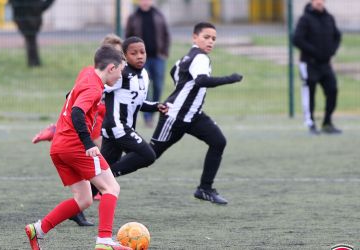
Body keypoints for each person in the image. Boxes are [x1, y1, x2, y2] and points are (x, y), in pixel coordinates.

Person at [101, 22, 243, 205]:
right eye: (206, 37)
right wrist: (229, 79)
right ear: (195, 37)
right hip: (176, 116)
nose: (210, 42)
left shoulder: (189, 57)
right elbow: (200, 80)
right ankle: (110, 174)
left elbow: (174, 71)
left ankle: (205, 189)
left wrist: (182, 87)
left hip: (194, 115)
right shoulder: (199, 57)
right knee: (149, 155)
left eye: (213, 39)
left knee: (218, 141)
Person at [25, 45, 132, 250]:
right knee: (111, 188)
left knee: (83, 199)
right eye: (120, 70)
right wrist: (88, 143)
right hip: (75, 147)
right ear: (111, 68)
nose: (121, 76)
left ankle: (37, 229)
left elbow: (70, 96)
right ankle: (104, 240)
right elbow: (76, 112)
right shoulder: (93, 88)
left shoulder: (87, 73)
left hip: (59, 147)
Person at [100, 36, 168, 179]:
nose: (139, 56)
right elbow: (97, 88)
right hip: (117, 127)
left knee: (100, 176)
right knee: (148, 155)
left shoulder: (143, 74)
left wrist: (156, 106)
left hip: (120, 129)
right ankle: (108, 177)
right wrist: (75, 95)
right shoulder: (120, 74)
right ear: (124, 55)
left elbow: (137, 102)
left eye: (142, 52)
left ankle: (95, 186)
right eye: (134, 53)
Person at [293, 0, 342, 134]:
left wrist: (331, 51)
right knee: (309, 93)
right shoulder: (305, 19)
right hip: (309, 64)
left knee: (332, 90)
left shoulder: (329, 18)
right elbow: (297, 39)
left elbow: (337, 36)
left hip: (325, 65)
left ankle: (327, 122)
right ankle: (310, 123)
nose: (320, 2)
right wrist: (314, 51)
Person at [125, 0, 170, 127]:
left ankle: (153, 111)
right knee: (143, 89)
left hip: (157, 58)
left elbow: (166, 35)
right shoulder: (133, 17)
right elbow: (127, 37)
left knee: (158, 86)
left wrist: (164, 52)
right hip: (140, 61)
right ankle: (147, 117)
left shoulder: (159, 15)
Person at [9, 0, 55, 67]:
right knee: (31, 40)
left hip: (29, 18)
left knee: (31, 40)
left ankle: (34, 62)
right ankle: (34, 62)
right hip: (25, 18)